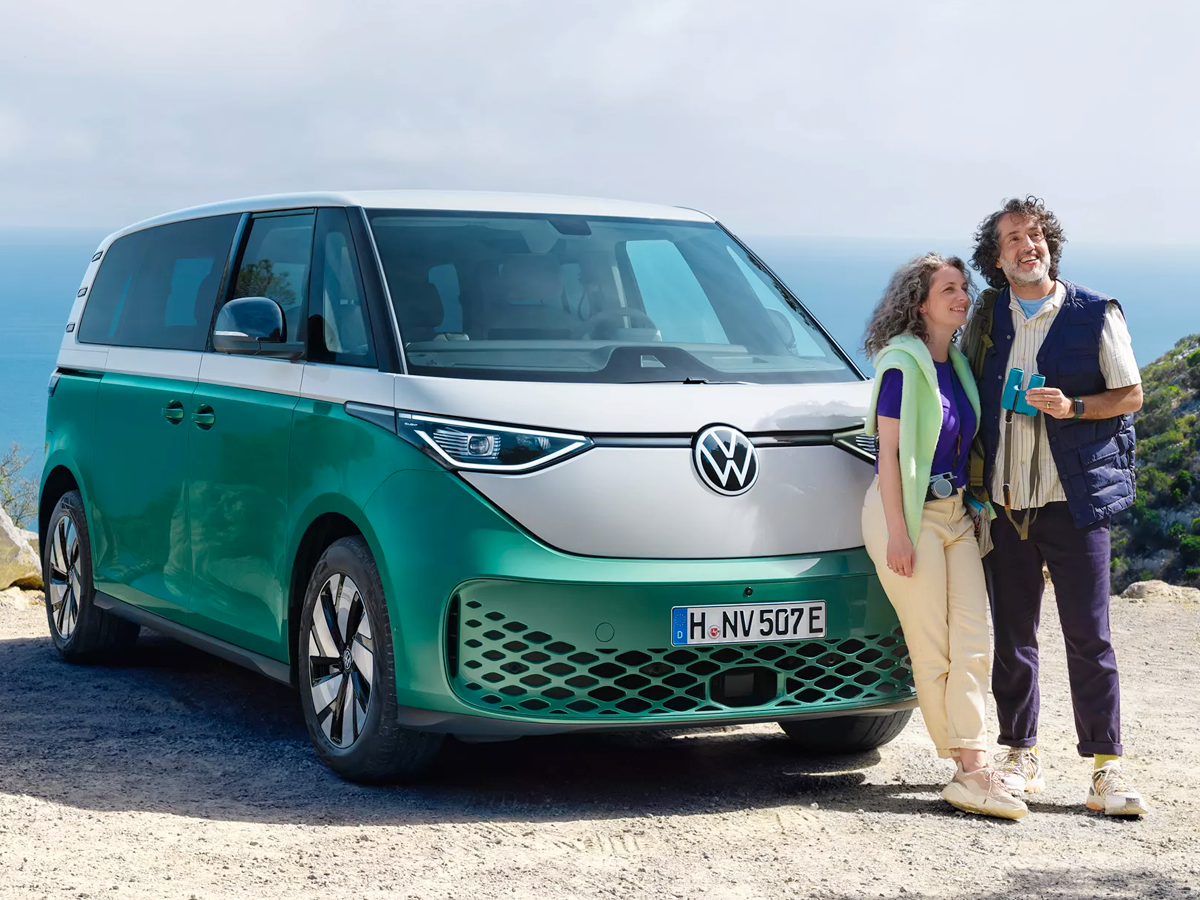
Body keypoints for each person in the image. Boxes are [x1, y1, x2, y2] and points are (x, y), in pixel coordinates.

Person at [960, 196, 1149, 816]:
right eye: (1013, 238)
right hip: (1007, 506)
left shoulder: (1096, 312)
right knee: (1013, 637)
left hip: (1075, 503)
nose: (1027, 245)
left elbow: (1130, 394)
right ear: (997, 257)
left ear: (1050, 244)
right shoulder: (987, 320)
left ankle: (1105, 770)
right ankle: (1020, 755)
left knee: (1089, 637)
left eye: (1035, 234)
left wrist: (1073, 408)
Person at [862, 253, 1026, 820]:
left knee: (975, 640)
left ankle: (973, 761)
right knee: (933, 647)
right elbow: (887, 454)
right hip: (905, 514)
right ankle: (969, 769)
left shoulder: (955, 362)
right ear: (920, 303)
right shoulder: (901, 365)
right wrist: (900, 535)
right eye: (949, 289)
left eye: (963, 288)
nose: (962, 297)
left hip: (954, 514)